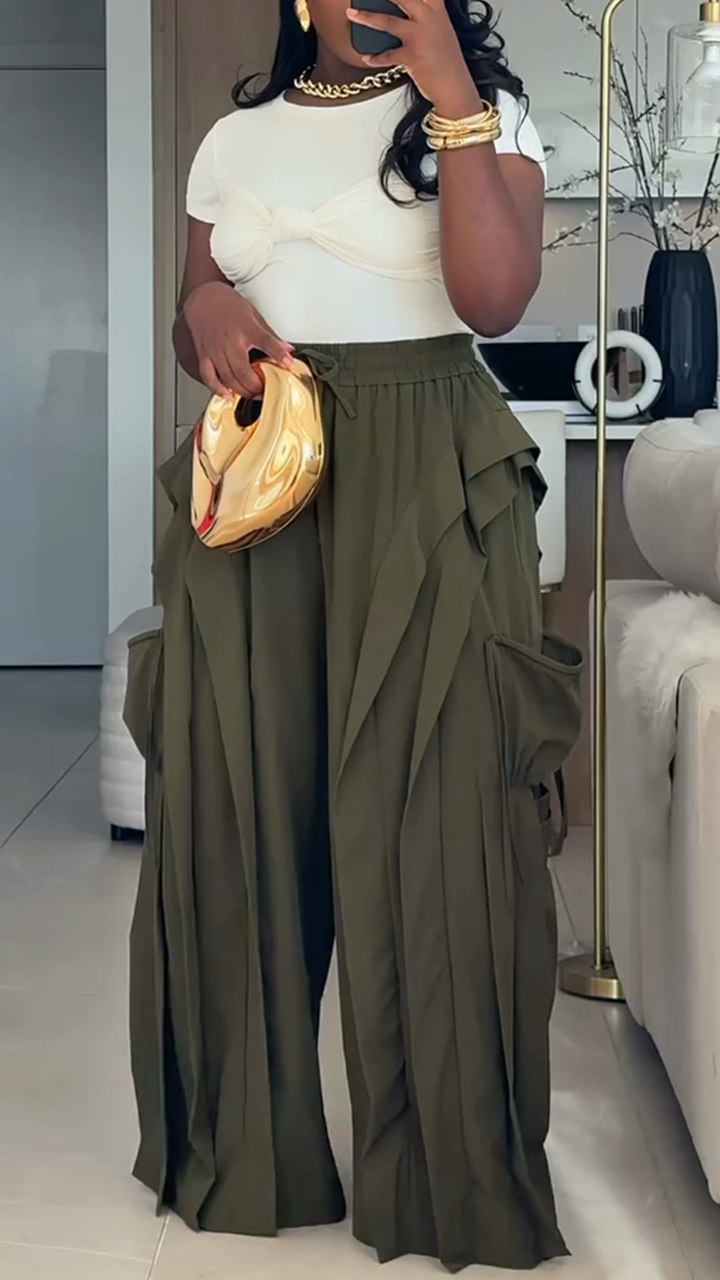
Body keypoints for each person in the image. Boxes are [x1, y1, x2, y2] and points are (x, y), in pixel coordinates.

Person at [125, 0, 583, 1271]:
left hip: (429, 467)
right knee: (239, 802)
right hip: (262, 472)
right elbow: (197, 301)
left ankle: (449, 1178)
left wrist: (451, 93)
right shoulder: (234, 139)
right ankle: (248, 1152)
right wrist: (206, 310)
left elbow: (494, 300)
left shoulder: (484, 117)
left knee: (436, 810)